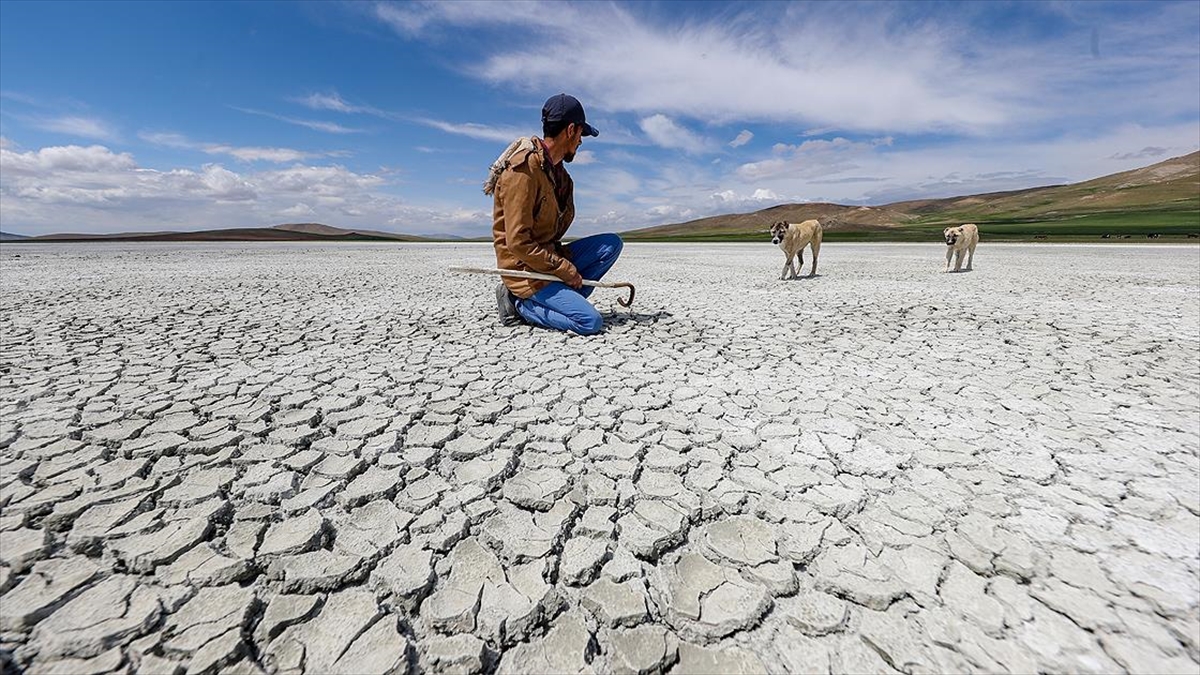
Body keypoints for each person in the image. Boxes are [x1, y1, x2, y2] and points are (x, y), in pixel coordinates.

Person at [487, 93, 623, 335]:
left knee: (610, 245)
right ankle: (519, 304)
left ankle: (561, 298)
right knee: (589, 322)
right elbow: (517, 243)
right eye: (581, 134)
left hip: (547, 258)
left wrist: (559, 264)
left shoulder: (559, 176)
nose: (581, 141)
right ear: (571, 130)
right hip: (524, 269)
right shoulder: (523, 171)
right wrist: (562, 267)